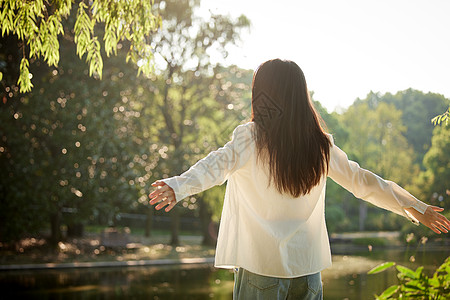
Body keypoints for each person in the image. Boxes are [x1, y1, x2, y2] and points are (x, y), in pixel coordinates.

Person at [148, 59, 450, 300]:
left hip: (261, 270)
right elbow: (364, 182)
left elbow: (214, 165)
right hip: (308, 273)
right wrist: (415, 207)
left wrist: (179, 186)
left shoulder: (250, 138)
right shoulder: (319, 145)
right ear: (300, 95)